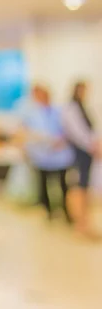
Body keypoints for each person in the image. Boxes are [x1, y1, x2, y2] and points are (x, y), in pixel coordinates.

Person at [20, 85, 74, 222]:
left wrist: (60, 140)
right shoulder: (32, 113)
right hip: (42, 155)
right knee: (43, 185)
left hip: (60, 153)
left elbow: (67, 129)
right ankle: (49, 211)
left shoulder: (59, 110)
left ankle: (66, 211)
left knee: (63, 184)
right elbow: (26, 132)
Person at [63, 81, 98, 237]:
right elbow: (77, 133)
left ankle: (85, 220)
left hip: (87, 152)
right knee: (78, 187)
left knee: (84, 186)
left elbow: (90, 131)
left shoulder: (84, 108)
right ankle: (79, 222)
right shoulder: (70, 109)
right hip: (79, 153)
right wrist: (92, 146)